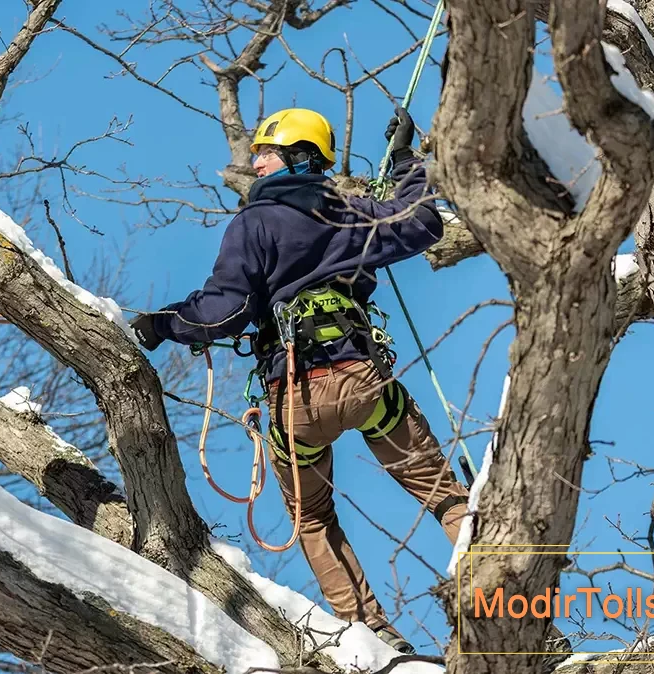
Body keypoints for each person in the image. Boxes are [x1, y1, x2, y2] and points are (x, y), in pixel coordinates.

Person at [128, 107, 470, 654]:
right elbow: (420, 222)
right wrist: (408, 160)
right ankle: (500, 595)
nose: (255, 162)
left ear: (296, 156)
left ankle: (371, 635)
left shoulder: (253, 222)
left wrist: (162, 324)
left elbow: (221, 313)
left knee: (311, 518)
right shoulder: (347, 212)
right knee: (446, 495)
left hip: (295, 401)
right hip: (362, 381)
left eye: (266, 153)